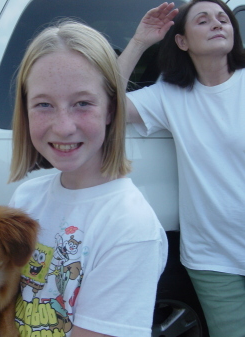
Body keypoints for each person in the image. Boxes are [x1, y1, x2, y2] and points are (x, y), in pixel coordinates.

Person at [0, 20, 168, 337]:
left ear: (111, 109)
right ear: (25, 111)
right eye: (44, 104)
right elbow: (2, 299)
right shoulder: (29, 197)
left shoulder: (128, 227)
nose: (63, 126)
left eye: (82, 103)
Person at [118, 1, 245, 336]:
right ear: (182, 41)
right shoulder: (171, 96)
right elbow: (105, 104)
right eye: (203, 20)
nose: (218, 24)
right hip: (213, 259)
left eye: (223, 19)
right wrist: (140, 41)